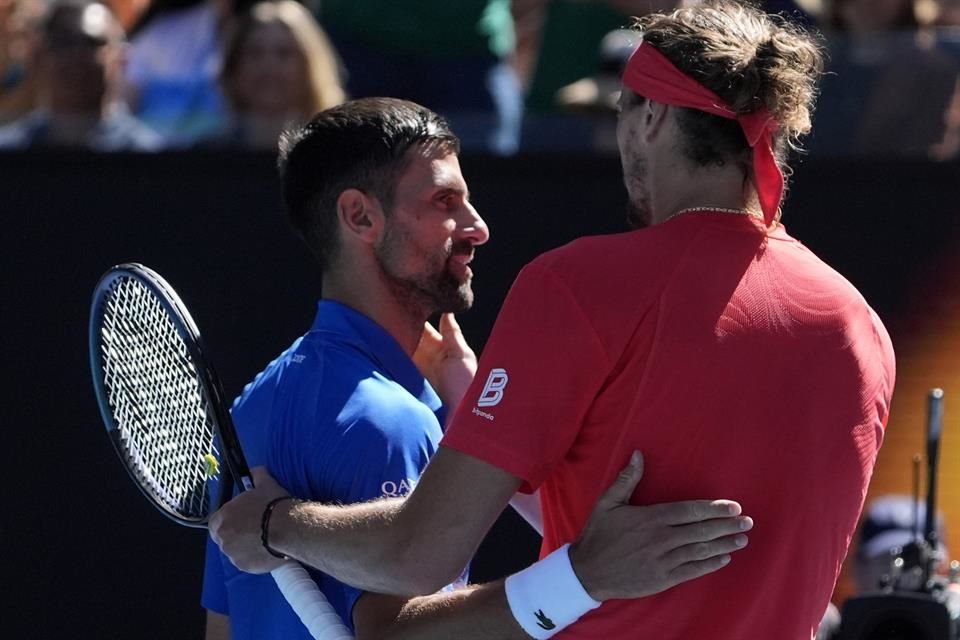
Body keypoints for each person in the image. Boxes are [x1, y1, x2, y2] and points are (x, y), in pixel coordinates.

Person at [211, 2, 895, 638]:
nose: (476, 229)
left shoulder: (575, 287)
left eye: (626, 113)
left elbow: (416, 557)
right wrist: (475, 396)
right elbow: (667, 523)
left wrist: (276, 524)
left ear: (652, 117)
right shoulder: (860, 328)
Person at [202, 96, 752, 640]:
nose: (478, 226)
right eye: (445, 201)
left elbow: (222, 627)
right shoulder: (387, 421)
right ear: (361, 216)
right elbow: (404, 633)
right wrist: (580, 578)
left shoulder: (252, 408)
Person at [0, 0, 162, 150]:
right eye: (63, 42)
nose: (75, 57)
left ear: (121, 58)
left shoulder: (150, 156)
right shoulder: (10, 153)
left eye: (91, 44)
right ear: (36, 57)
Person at [204, 0, 345, 150]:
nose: (269, 66)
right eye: (255, 53)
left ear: (309, 67)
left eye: (283, 53)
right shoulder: (204, 155)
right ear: (234, 67)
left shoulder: (337, 153)